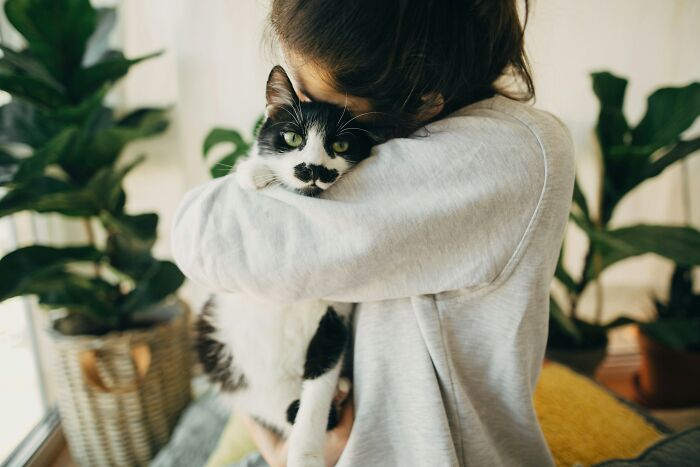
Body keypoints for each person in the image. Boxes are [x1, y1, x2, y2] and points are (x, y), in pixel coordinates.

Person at [171, 1, 575, 466]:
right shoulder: (435, 132)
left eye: (316, 100)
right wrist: (280, 447)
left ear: (423, 102)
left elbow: (205, 236)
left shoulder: (504, 156)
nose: (307, 111)